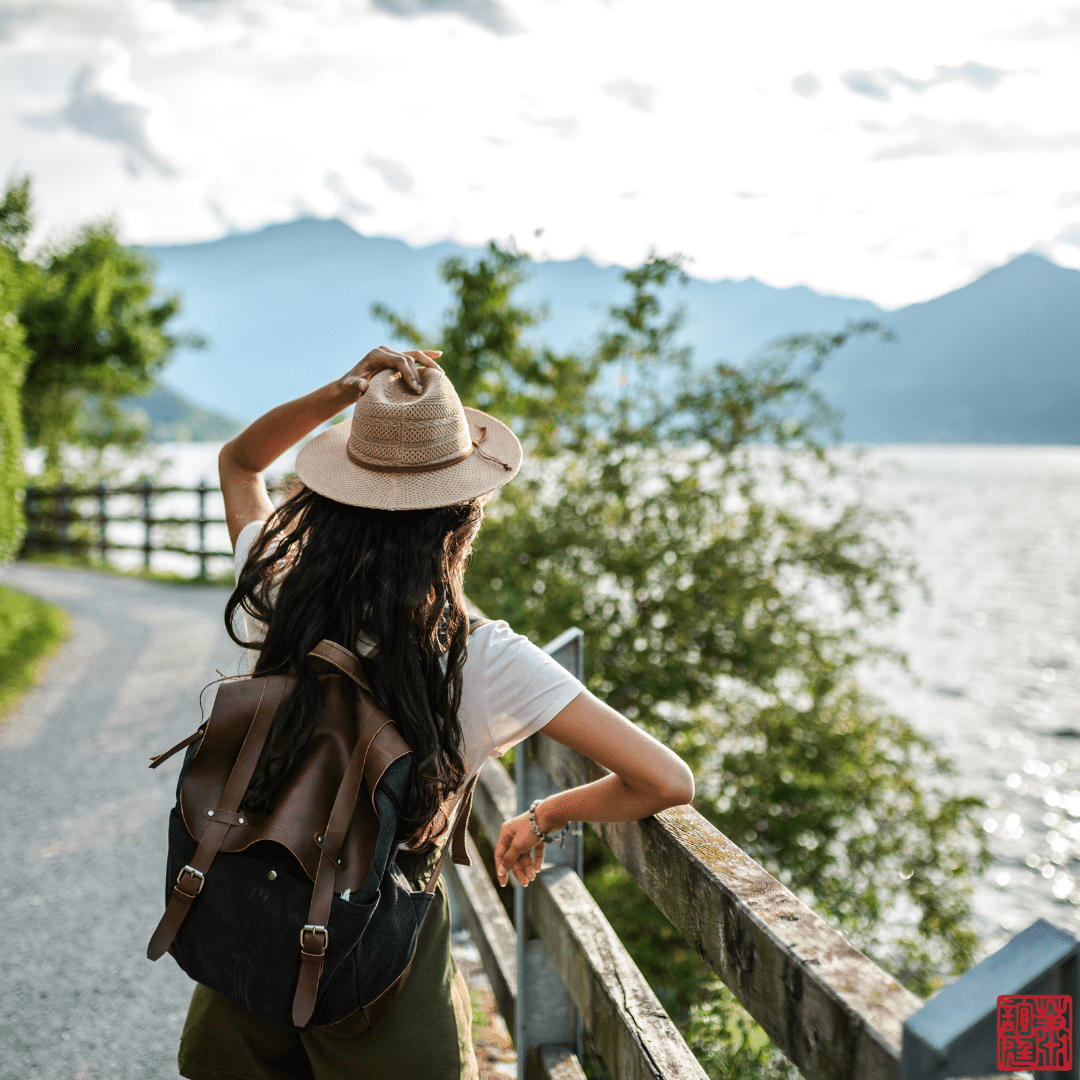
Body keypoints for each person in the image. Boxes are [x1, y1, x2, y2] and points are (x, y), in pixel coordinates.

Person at [177, 346, 695, 1080]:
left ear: (331, 495)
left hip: (252, 929)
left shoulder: (279, 587)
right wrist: (542, 816)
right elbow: (664, 780)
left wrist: (344, 390)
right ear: (463, 515)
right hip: (380, 956)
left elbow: (239, 462)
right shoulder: (485, 659)